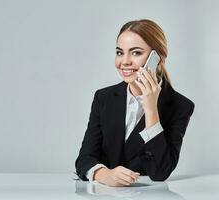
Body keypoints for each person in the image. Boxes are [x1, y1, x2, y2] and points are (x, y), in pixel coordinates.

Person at [75, 19, 194, 187]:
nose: (124, 61)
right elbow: (84, 159)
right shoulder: (104, 98)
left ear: (157, 59)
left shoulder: (180, 106)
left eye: (136, 53)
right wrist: (104, 174)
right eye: (119, 52)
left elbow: (160, 172)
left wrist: (151, 109)